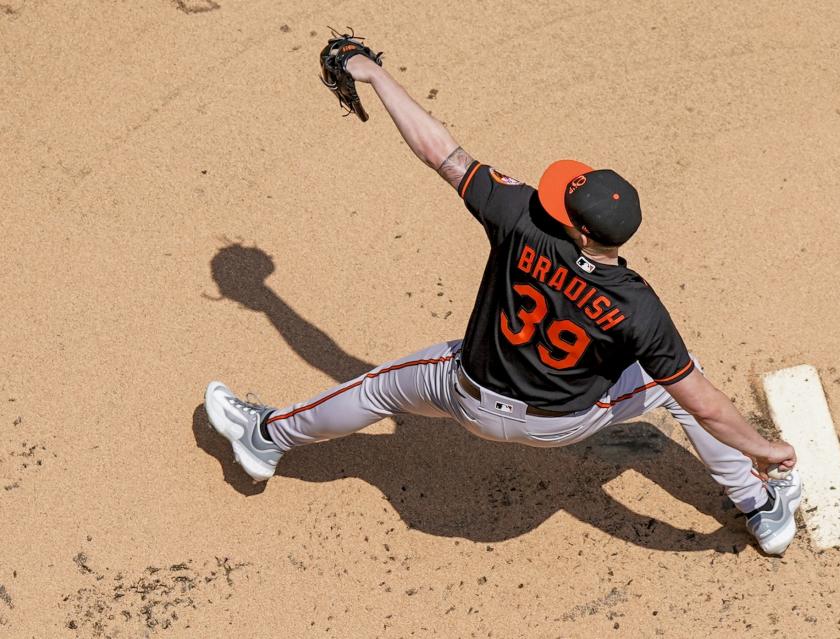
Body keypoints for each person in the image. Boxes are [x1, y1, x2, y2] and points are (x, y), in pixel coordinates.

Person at [204, 54, 802, 555]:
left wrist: (375, 76)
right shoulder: (639, 307)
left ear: (575, 229)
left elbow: (441, 151)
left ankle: (266, 436)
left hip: (464, 395)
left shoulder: (521, 219)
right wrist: (766, 449)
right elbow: (710, 409)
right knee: (677, 386)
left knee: (378, 387)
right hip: (562, 427)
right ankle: (761, 507)